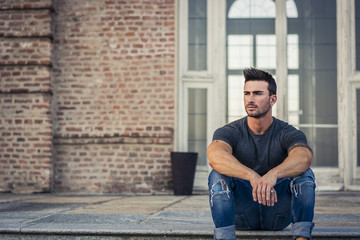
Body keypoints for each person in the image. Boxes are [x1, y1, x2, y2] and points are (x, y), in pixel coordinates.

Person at [207, 68, 316, 240]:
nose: (250, 99)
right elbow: (215, 157)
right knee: (217, 175)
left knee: (305, 174)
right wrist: (252, 176)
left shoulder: (287, 132)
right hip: (241, 216)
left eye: (257, 93)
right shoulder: (230, 131)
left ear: (273, 99)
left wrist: (273, 174)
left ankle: (302, 238)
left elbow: (304, 157)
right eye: (247, 93)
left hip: (278, 215)